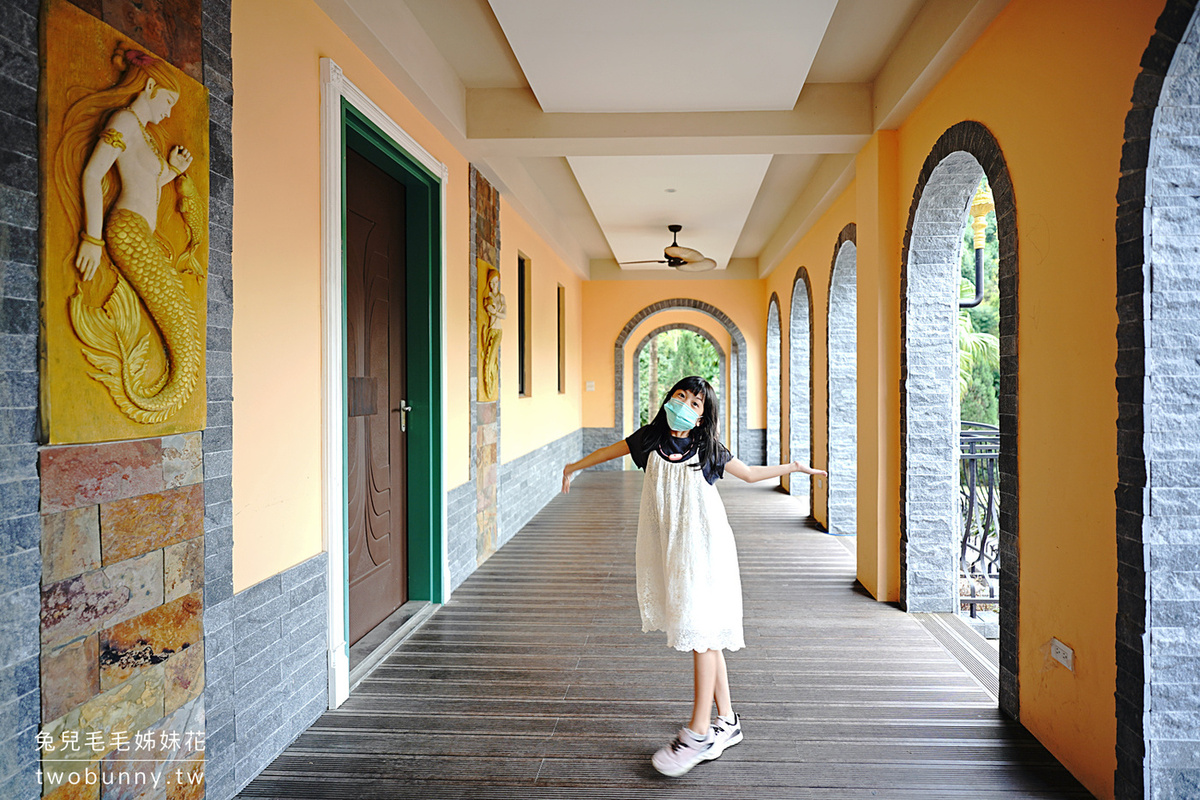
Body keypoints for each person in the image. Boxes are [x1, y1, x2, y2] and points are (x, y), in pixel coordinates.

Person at [561, 375, 827, 777]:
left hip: (707, 548)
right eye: (680, 395)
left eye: (696, 403)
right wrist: (573, 466)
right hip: (672, 549)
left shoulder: (708, 450)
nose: (684, 404)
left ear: (703, 417)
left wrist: (793, 467)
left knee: (701, 632)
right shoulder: (649, 440)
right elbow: (606, 451)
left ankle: (700, 733)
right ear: (668, 399)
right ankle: (729, 721)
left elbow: (751, 474)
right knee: (707, 632)